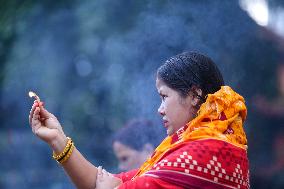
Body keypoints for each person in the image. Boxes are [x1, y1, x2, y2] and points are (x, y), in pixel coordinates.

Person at [29, 51, 250, 189]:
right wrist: (58, 139)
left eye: (164, 97)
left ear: (194, 95)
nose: (159, 109)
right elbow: (100, 182)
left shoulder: (204, 151)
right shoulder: (202, 147)